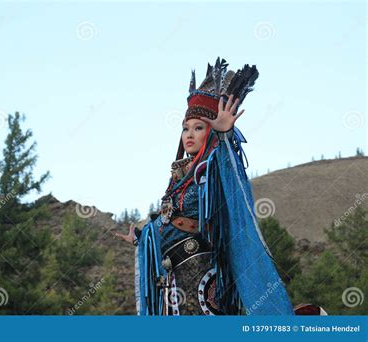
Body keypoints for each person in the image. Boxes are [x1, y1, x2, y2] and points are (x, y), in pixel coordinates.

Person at [116, 57, 295, 316]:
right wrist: (143, 238)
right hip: (173, 282)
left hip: (205, 278)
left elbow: (229, 168)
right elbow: (172, 221)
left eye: (198, 127)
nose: (189, 134)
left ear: (210, 132)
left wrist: (224, 135)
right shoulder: (178, 178)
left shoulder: (213, 168)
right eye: (185, 128)